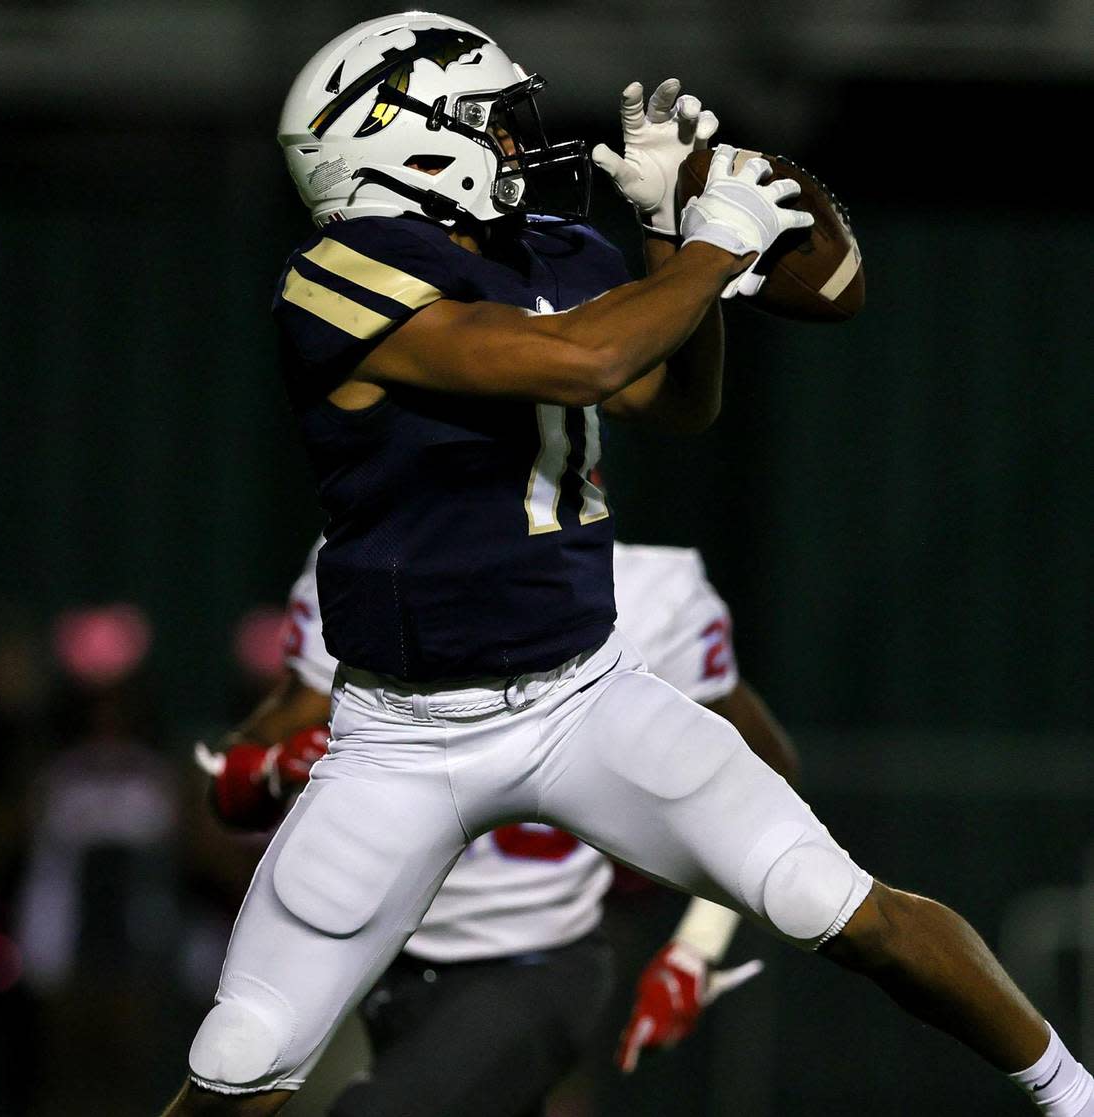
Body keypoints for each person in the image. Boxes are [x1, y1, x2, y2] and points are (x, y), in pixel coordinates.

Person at [162, 12, 1092, 1115]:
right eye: (484, 124)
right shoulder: (340, 273)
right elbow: (589, 356)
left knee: (834, 902)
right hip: (401, 739)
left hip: (581, 698)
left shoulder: (552, 253)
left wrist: (665, 240)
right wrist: (713, 247)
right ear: (398, 142)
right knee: (243, 1054)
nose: (516, 144)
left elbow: (676, 399)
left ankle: (1073, 1092)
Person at [195, 538, 790, 1115]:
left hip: (532, 958)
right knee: (224, 1088)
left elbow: (763, 780)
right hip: (374, 952)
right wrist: (265, 771)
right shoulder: (368, 556)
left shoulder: (650, 592)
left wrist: (697, 948)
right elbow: (235, 782)